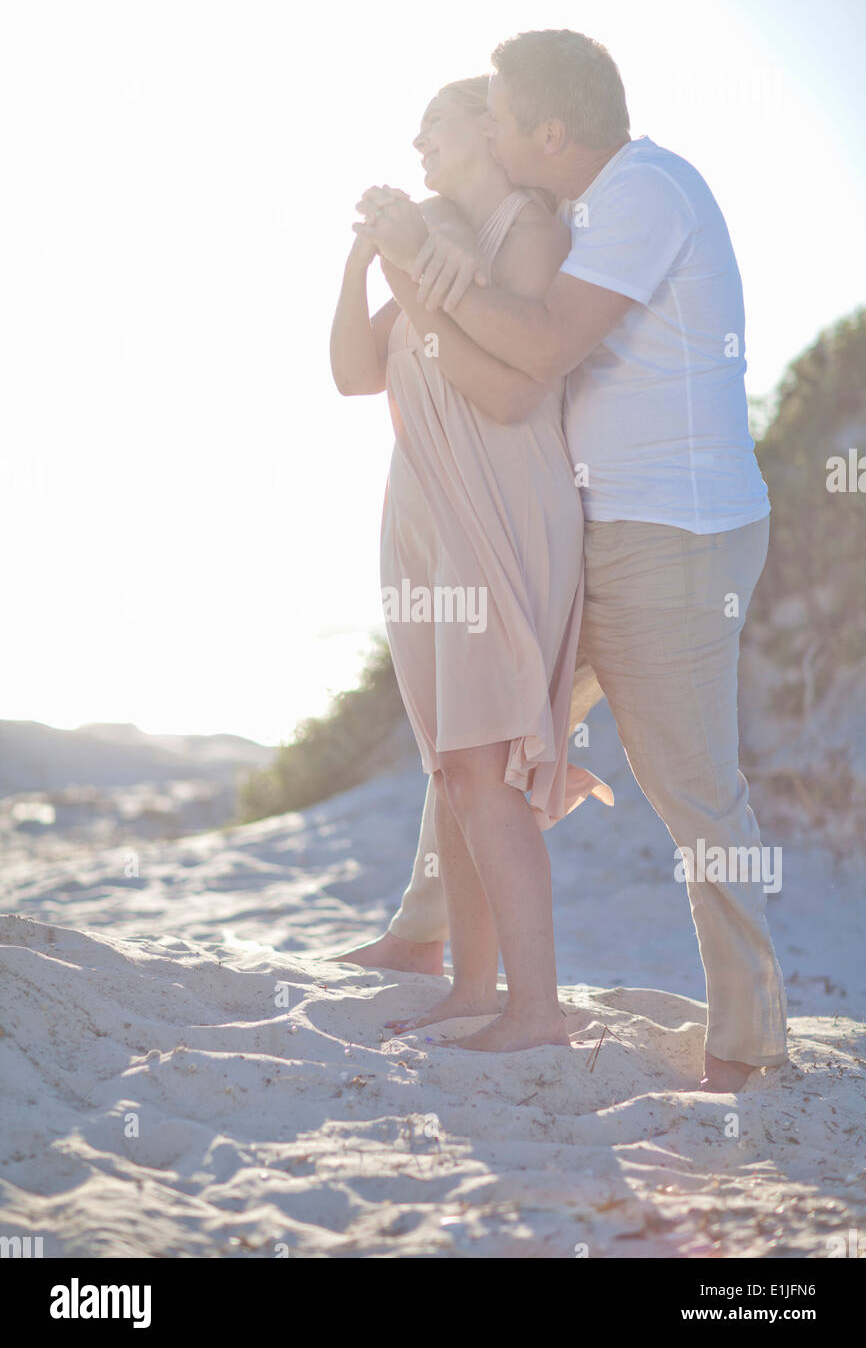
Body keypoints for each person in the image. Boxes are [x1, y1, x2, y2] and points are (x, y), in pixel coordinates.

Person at [340, 30, 788, 1093]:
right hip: (590, 526)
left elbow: (538, 346)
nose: (484, 132)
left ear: (548, 132)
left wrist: (416, 269)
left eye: (494, 117)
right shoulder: (580, 210)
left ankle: (749, 1034)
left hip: (667, 537)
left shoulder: (643, 193)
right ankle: (419, 933)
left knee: (691, 787)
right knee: (482, 728)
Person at [330, 76, 612, 1053]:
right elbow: (351, 373)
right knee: (452, 764)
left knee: (486, 763)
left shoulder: (525, 233)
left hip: (496, 505)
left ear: (488, 133)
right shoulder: (426, 243)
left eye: (434, 128)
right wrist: (365, 258)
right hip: (423, 515)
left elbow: (499, 385)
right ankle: (471, 987)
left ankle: (534, 1007)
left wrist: (409, 258)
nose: (415, 143)